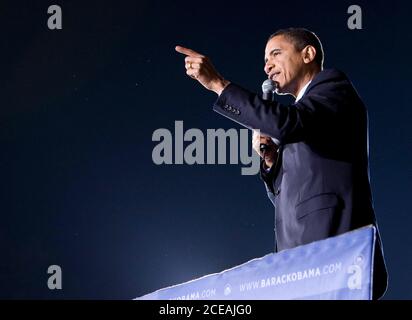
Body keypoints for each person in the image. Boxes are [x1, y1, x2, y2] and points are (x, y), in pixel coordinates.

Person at [175, 27, 388, 299]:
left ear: (308, 54)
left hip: (335, 255)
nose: (267, 66)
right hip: (298, 265)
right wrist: (271, 162)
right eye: (265, 60)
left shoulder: (333, 87)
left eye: (276, 53)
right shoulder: (302, 120)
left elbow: (287, 123)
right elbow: (289, 196)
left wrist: (217, 84)